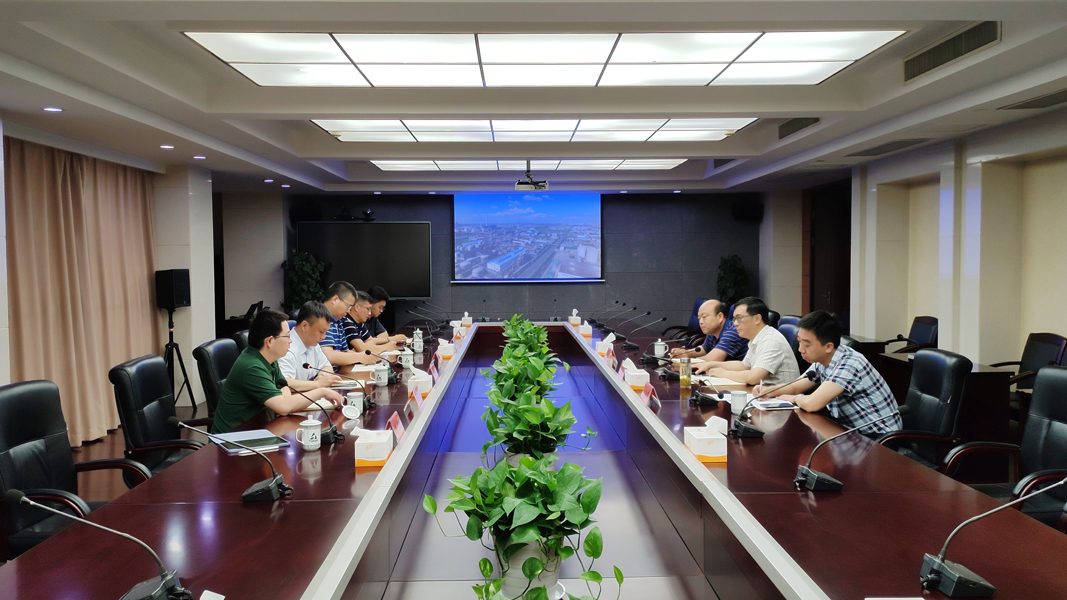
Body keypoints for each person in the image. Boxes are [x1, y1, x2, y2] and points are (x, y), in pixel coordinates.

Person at [753, 310, 902, 435]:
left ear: (828, 347)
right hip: (850, 431)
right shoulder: (824, 360)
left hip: (879, 438)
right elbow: (795, 386)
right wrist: (769, 391)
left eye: (807, 345)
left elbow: (812, 404)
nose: (800, 349)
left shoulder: (849, 364)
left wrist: (795, 398)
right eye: (799, 342)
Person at [211, 310, 343, 434]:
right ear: (270, 341)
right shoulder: (252, 366)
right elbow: (283, 407)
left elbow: (283, 388)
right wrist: (321, 391)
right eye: (287, 336)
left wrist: (284, 403)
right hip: (233, 438)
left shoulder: (269, 358)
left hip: (258, 429)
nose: (290, 340)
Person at [695, 296, 800, 386]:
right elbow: (744, 366)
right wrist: (711, 365)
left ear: (757, 319)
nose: (735, 323)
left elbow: (754, 377)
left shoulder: (771, 340)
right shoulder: (756, 337)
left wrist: (723, 373)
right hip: (764, 394)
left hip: (781, 399)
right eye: (734, 319)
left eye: (739, 318)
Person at [277, 301, 342, 390]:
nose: (323, 337)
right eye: (321, 332)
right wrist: (318, 384)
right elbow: (285, 382)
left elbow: (327, 366)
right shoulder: (287, 348)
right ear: (304, 326)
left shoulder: (313, 343)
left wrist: (322, 376)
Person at [319, 281, 377, 369]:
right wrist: (360, 357)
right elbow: (329, 356)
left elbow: (345, 351)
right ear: (335, 300)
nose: (349, 311)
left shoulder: (338, 322)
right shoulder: (321, 318)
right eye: (348, 306)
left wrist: (367, 355)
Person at [670, 299, 748, 362]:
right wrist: (686, 353)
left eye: (704, 317)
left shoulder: (733, 332)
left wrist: (684, 359)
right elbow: (704, 349)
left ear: (720, 316)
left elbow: (710, 360)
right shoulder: (713, 331)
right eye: (699, 318)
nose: (700, 322)